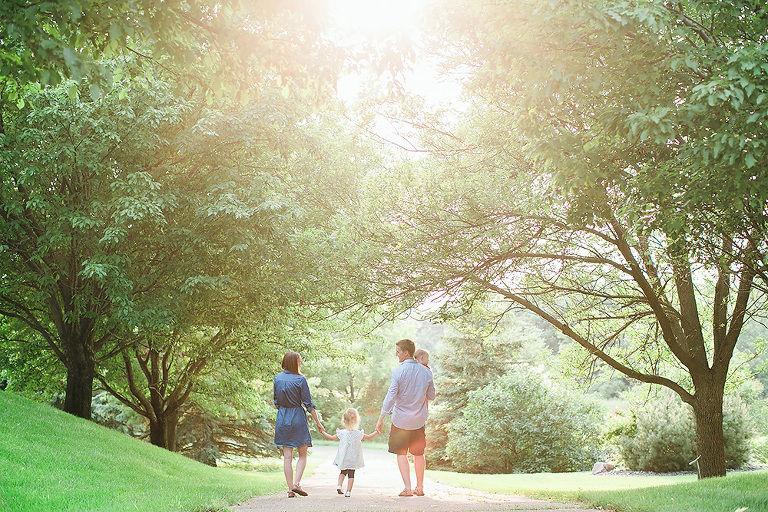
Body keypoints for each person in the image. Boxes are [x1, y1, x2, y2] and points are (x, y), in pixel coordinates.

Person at [376, 339, 435, 497]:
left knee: (401, 453)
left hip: (400, 421)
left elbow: (390, 397)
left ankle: (408, 488)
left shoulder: (398, 372)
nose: (396, 354)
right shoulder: (426, 372)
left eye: (398, 351)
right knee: (418, 453)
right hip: (418, 421)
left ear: (406, 352)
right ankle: (420, 487)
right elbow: (432, 395)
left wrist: (381, 418)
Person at [273, 351, 324, 498]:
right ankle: (296, 484)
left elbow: (276, 401)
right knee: (302, 455)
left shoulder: (277, 378)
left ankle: (290, 490)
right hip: (297, 418)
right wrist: (318, 423)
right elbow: (309, 404)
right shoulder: (301, 380)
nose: (301, 363)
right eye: (299, 361)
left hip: (282, 417)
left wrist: (284, 410)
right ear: (294, 363)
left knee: (287, 457)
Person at [319, 407, 380, 497]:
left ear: (344, 421)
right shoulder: (358, 433)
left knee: (342, 472)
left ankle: (339, 485)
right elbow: (368, 437)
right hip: (353, 458)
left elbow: (331, 438)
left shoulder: (342, 433)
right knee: (351, 475)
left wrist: (322, 432)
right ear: (356, 420)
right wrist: (376, 432)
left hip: (344, 457)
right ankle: (348, 492)